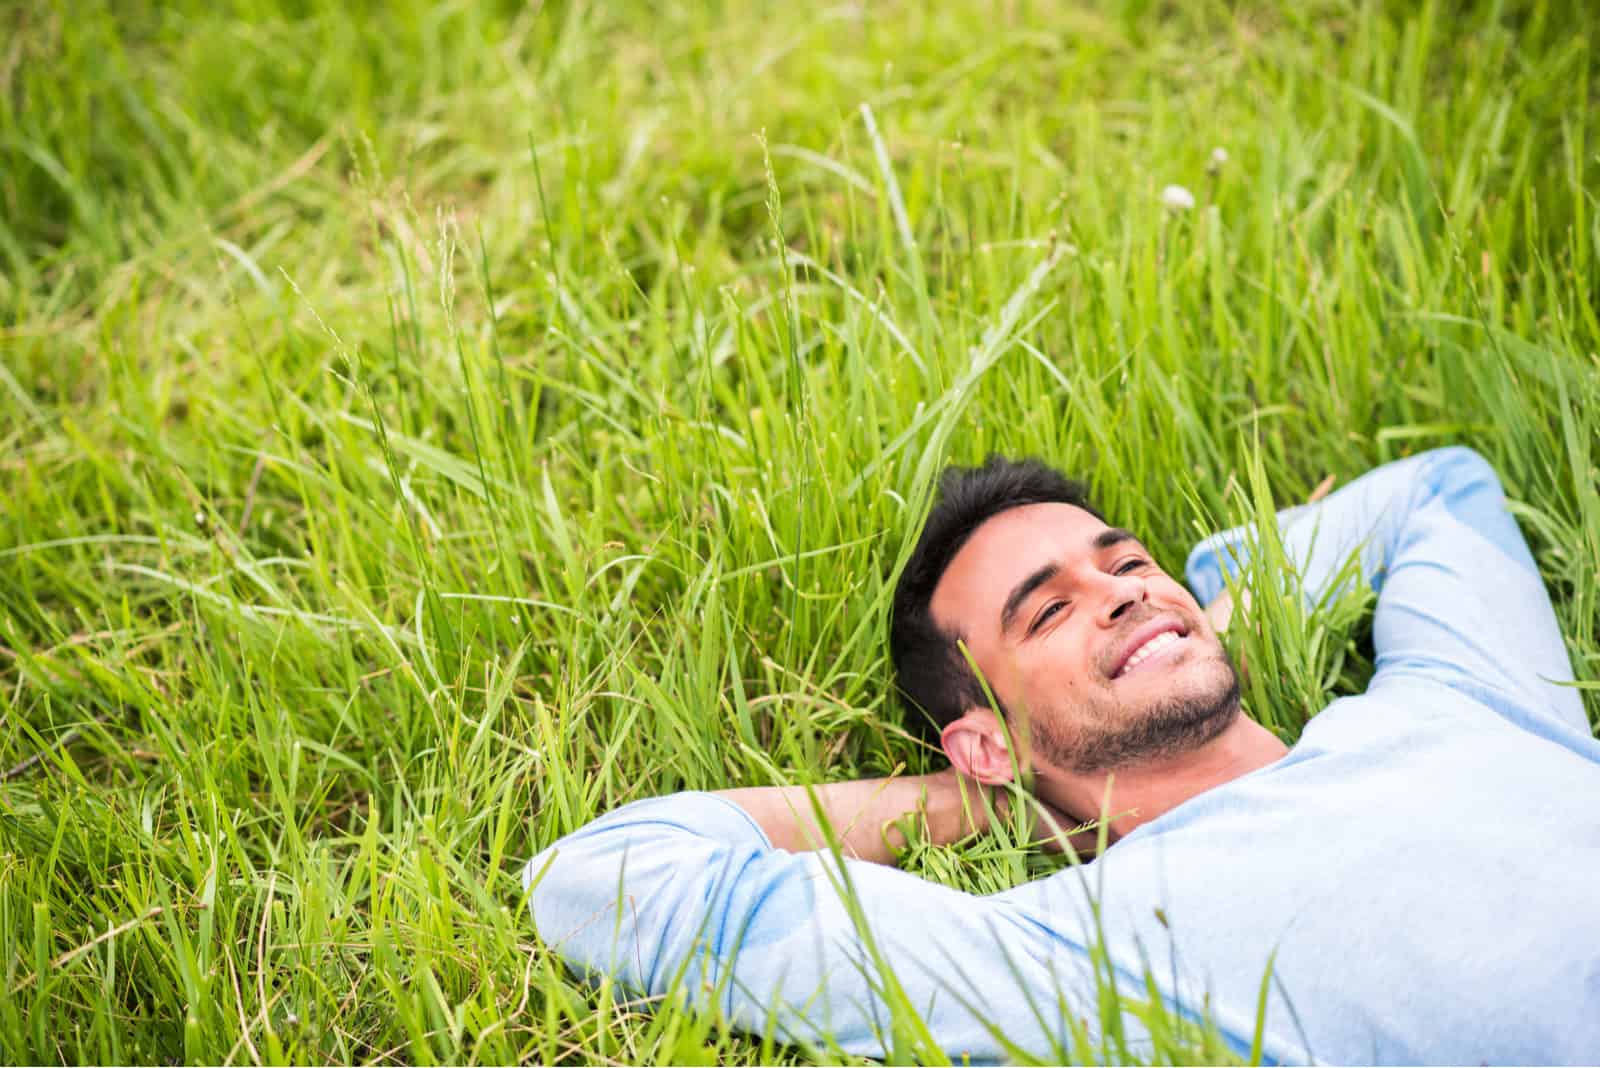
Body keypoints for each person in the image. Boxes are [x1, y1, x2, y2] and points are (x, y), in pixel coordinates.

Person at [522, 446, 1600, 1064]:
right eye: (1046, 614)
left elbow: (1434, 492)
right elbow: (603, 878)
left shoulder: (1456, 696)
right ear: (983, 734)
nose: (1122, 588)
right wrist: (985, 797)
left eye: (1124, 561)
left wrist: (1212, 601)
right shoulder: (1073, 959)